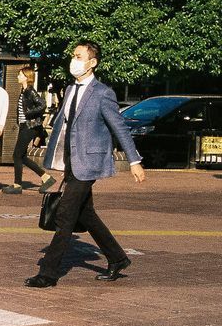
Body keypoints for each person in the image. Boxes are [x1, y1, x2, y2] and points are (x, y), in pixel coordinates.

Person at [25, 40, 146, 288]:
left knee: (65, 214)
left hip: (89, 162)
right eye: (74, 56)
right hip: (71, 161)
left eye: (79, 57)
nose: (74, 61)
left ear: (92, 63)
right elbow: (63, 126)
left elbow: (119, 127)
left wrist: (134, 160)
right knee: (86, 214)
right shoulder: (70, 90)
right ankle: (117, 258)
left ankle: (48, 273)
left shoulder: (103, 93)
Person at [4, 67, 54, 194]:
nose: (18, 77)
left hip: (30, 126)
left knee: (16, 155)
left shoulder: (30, 91)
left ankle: (17, 185)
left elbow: (42, 104)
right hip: (24, 125)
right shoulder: (24, 91)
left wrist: (28, 113)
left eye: (20, 75)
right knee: (22, 156)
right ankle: (46, 178)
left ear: (27, 77)